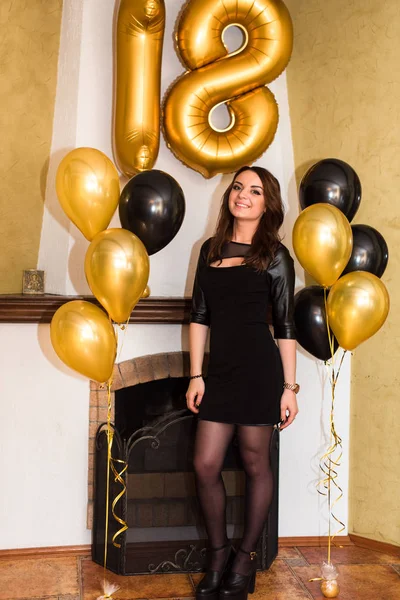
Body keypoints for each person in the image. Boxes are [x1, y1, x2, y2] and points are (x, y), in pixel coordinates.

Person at [186, 166, 298, 600]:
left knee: (256, 464)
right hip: (220, 374)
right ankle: (218, 553)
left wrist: (290, 388)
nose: (243, 195)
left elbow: (285, 326)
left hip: (259, 372)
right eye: (238, 187)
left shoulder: (275, 256)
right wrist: (197, 375)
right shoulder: (209, 249)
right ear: (229, 196)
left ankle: (244, 558)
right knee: (205, 464)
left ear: (267, 203)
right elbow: (199, 315)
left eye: (255, 191)